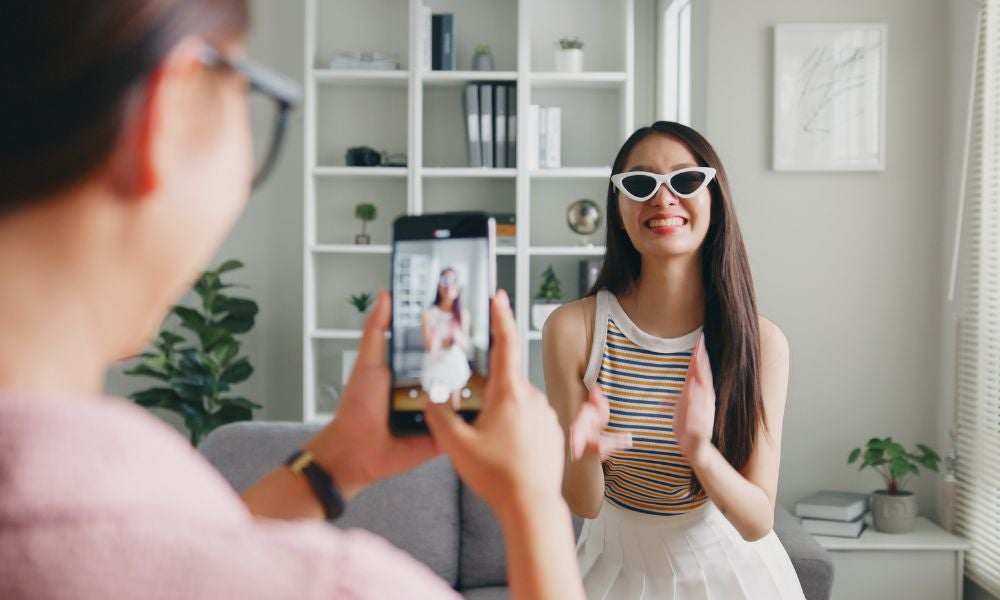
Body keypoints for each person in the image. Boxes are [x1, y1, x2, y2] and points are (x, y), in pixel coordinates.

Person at [0, 2, 584, 598]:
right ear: (166, 114)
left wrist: (333, 465)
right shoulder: (339, 585)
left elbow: (202, 563)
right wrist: (534, 501)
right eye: (249, 90)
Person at [542, 121, 806, 599]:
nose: (663, 200)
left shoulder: (762, 343)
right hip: (612, 566)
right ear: (618, 210)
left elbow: (757, 519)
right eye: (641, 185)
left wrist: (699, 450)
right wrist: (586, 447)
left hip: (729, 571)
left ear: (714, 201)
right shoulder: (573, 329)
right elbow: (585, 501)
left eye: (685, 181)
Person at [421, 268, 473, 406]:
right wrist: (439, 340)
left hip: (454, 363)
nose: (449, 285)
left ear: (458, 287)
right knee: (434, 406)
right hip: (435, 363)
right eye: (444, 281)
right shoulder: (428, 313)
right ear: (438, 286)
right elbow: (427, 345)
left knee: (454, 405)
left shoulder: (463, 314)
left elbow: (465, 346)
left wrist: (456, 335)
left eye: (453, 281)